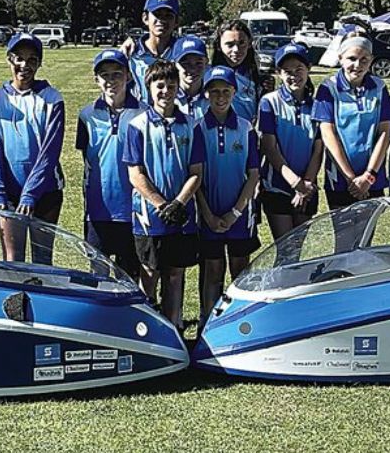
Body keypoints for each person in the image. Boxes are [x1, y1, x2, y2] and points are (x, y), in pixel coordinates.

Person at [122, 59, 200, 330]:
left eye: (170, 85)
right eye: (159, 85)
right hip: (148, 216)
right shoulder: (137, 125)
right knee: (149, 272)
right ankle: (148, 329)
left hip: (182, 213)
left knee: (176, 273)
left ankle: (174, 326)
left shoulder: (192, 124)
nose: (165, 91)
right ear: (148, 88)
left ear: (178, 87)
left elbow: (196, 171)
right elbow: (135, 173)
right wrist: (161, 204)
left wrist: (179, 203)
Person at [0, 32, 66, 264]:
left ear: (39, 63)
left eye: (32, 60)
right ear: (9, 59)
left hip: (46, 191)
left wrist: (30, 195)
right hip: (8, 193)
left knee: (42, 260)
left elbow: (50, 152)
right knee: (12, 259)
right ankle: (16, 302)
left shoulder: (52, 99)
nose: (24, 65)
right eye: (19, 58)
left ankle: (43, 302)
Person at [190, 65, 260, 326]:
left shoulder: (246, 128)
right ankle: (208, 326)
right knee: (212, 271)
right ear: (205, 94)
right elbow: (195, 178)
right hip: (209, 213)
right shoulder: (198, 128)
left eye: (226, 91)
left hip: (240, 214)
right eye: (214, 91)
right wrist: (208, 215)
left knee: (240, 270)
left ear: (235, 92)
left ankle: (241, 326)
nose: (220, 97)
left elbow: (253, 175)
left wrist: (235, 213)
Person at [76, 49, 144, 279]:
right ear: (96, 79)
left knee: (130, 275)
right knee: (99, 275)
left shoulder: (143, 113)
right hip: (98, 209)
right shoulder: (87, 115)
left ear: (128, 76)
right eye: (104, 75)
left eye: (117, 74)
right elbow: (86, 160)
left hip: (132, 209)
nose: (111, 80)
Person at [314, 33, 390, 211]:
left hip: (372, 178)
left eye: (364, 59)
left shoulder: (379, 87)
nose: (357, 65)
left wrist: (368, 176)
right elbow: (328, 135)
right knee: (344, 237)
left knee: (367, 237)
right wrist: (351, 179)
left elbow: (384, 133)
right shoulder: (328, 88)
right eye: (352, 58)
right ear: (340, 58)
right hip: (340, 178)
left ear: (371, 60)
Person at [260, 42, 324, 240]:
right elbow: (269, 148)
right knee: (284, 250)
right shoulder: (269, 102)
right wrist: (295, 183)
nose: (294, 75)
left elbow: (318, 149)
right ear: (279, 73)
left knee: (299, 252)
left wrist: (306, 184)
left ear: (308, 69)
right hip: (277, 185)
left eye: (299, 69)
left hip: (307, 185)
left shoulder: (317, 105)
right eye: (287, 71)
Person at [122, 0, 180, 104]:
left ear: (177, 21)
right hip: (139, 118)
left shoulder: (182, 52)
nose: (162, 20)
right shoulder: (131, 53)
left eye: (168, 15)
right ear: (145, 18)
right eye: (157, 14)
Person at [209, 19, 260, 121]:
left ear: (249, 43)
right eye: (230, 44)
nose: (236, 50)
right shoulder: (208, 75)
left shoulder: (254, 76)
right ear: (219, 45)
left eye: (241, 43)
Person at [171, 34, 210, 123]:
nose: (192, 69)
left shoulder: (214, 97)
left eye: (198, 63)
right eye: (185, 63)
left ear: (206, 63)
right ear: (174, 64)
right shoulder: (167, 97)